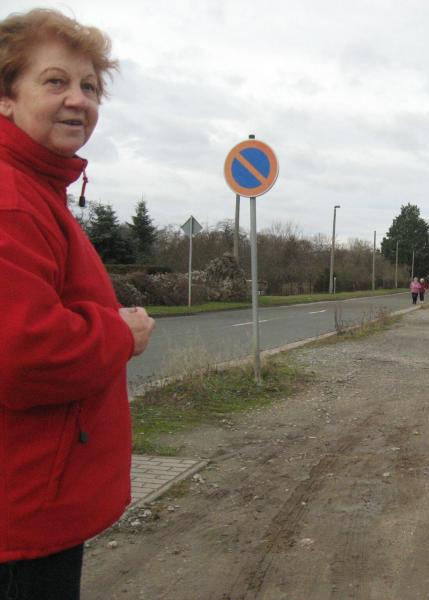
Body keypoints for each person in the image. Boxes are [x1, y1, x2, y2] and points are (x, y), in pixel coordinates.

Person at [0, 9, 155, 600]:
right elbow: (24, 353)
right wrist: (121, 334)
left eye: (89, 87)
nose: (78, 100)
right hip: (21, 517)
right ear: (6, 97)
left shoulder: (35, 189)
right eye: (55, 81)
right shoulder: (11, 199)